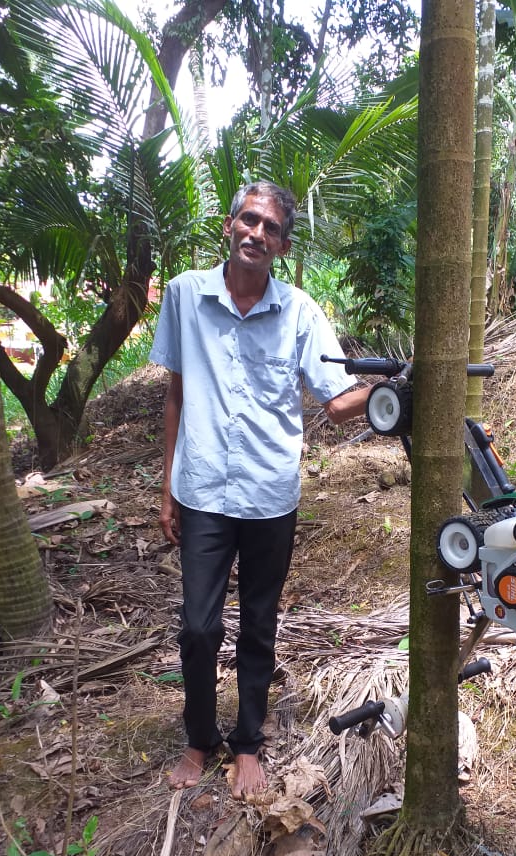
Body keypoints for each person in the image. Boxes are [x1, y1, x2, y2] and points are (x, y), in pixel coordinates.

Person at [149, 181, 370, 799]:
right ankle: (199, 738)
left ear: (283, 245)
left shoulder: (299, 312)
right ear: (230, 225)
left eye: (271, 228)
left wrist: (393, 390)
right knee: (198, 627)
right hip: (202, 491)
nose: (257, 234)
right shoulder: (185, 296)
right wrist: (167, 490)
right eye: (249, 220)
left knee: (258, 622)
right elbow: (175, 395)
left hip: (270, 496)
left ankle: (247, 743)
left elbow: (336, 403)